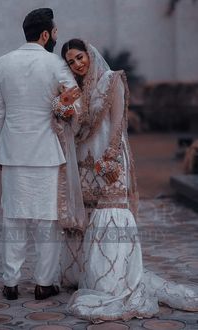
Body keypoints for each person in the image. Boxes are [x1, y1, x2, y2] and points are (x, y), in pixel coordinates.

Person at [54, 39, 198, 321]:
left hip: (109, 157)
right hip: (85, 160)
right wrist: (63, 110)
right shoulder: (76, 89)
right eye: (71, 62)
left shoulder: (112, 80)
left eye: (79, 57)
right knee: (89, 217)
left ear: (89, 54)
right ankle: (88, 276)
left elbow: (118, 121)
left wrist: (110, 154)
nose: (77, 64)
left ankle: (114, 279)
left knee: (111, 216)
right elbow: (75, 125)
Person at [0, 9, 82, 301]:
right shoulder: (56, 64)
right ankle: (43, 283)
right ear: (45, 35)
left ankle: (11, 283)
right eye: (54, 32)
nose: (56, 37)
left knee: (13, 219)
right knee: (47, 220)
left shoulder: (0, 64)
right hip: (46, 154)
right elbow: (74, 105)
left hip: (12, 152)